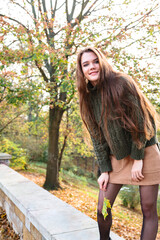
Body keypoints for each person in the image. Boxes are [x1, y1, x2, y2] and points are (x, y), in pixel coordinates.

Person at [76, 46, 160, 240]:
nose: (92, 67)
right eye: (86, 64)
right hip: (117, 159)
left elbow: (143, 119)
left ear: (102, 61)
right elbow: (97, 138)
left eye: (95, 61)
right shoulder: (87, 97)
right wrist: (104, 169)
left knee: (148, 210)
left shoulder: (121, 82)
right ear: (81, 71)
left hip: (144, 151)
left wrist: (138, 158)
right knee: (102, 208)